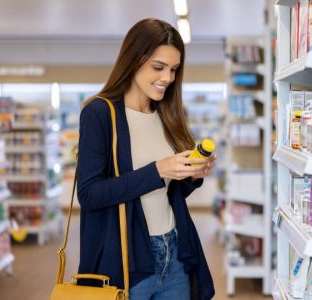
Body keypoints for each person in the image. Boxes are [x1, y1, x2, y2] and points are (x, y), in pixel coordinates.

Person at [76, 18, 216, 300]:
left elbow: (168, 193)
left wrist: (191, 175)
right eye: (158, 67)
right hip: (127, 261)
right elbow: (89, 194)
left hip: (175, 252)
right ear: (133, 60)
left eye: (174, 69)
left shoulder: (167, 114)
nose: (168, 78)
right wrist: (159, 169)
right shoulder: (99, 113)